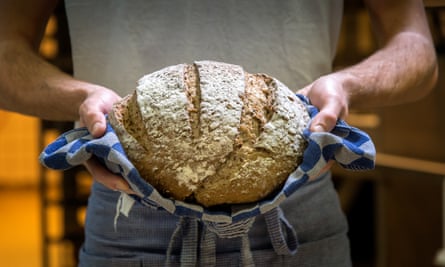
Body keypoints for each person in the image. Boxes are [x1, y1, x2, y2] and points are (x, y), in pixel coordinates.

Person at [0, 0, 438, 266]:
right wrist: (84, 97)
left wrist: (347, 84)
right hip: (130, 223)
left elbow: (417, 48)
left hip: (297, 220)